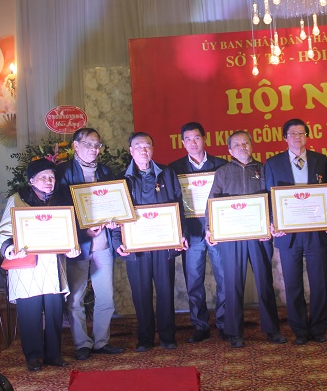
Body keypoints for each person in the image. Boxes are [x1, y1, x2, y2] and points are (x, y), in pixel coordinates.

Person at [206, 130, 287, 348]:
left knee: (264, 281)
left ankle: (272, 329)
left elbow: (272, 198)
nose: (242, 147)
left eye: (245, 143)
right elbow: (212, 202)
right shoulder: (222, 172)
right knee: (233, 283)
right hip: (231, 237)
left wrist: (273, 222)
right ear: (230, 150)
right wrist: (209, 228)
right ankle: (234, 331)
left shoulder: (264, 169)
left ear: (252, 145)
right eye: (237, 145)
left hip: (260, 235)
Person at [0, 158, 78, 371]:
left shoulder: (60, 198)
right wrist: (9, 248)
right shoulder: (17, 199)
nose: (49, 181)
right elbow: (4, 230)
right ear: (31, 180)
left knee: (54, 311)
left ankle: (53, 354)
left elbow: (69, 228)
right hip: (28, 265)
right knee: (30, 312)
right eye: (43, 177)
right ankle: (32, 356)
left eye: (51, 177)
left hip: (52, 264)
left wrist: (72, 247)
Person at [55, 127, 124, 360]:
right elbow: (61, 211)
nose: (94, 149)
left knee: (106, 296)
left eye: (97, 145)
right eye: (89, 144)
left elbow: (115, 205)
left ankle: (101, 341)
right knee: (76, 297)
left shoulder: (106, 172)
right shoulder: (62, 173)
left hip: (103, 244)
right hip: (79, 245)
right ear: (75, 145)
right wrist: (82, 231)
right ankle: (82, 343)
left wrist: (115, 220)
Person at [116, 132, 188, 352]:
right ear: (131, 151)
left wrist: (181, 234)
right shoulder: (121, 179)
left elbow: (178, 205)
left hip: (163, 243)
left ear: (153, 149)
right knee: (141, 293)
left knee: (166, 291)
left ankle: (167, 336)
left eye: (147, 146)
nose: (143, 150)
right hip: (135, 246)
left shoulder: (167, 174)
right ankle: (145, 338)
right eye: (138, 146)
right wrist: (117, 242)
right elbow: (115, 214)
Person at [264, 119, 327, 344]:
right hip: (287, 235)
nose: (297, 137)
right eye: (292, 134)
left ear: (307, 136)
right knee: (292, 284)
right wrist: (272, 222)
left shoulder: (321, 160)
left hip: (316, 231)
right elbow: (269, 196)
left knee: (319, 282)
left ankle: (319, 328)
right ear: (285, 137)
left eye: (301, 133)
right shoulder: (273, 163)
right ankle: (300, 330)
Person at [168, 121, 228, 343]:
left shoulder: (221, 165)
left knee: (224, 278)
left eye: (197, 138)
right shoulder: (174, 169)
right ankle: (200, 325)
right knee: (193, 281)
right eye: (188, 139)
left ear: (204, 139)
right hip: (192, 234)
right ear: (183, 143)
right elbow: (173, 203)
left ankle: (224, 323)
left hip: (218, 231)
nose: (193, 143)